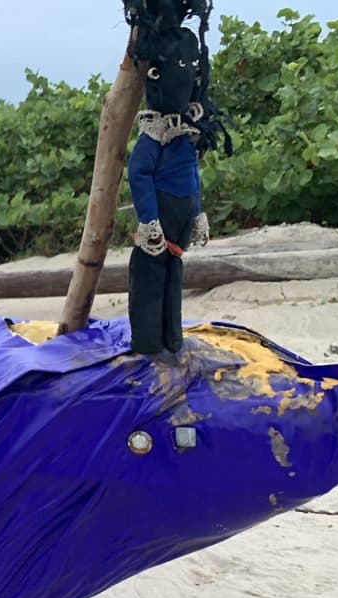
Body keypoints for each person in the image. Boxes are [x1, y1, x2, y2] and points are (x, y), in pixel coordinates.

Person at [127, 26, 211, 355]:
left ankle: (172, 340)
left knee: (172, 279)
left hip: (180, 221)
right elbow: (138, 172)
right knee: (150, 280)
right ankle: (148, 346)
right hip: (160, 221)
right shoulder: (155, 135)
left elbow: (192, 173)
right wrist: (148, 219)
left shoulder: (183, 133)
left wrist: (199, 212)